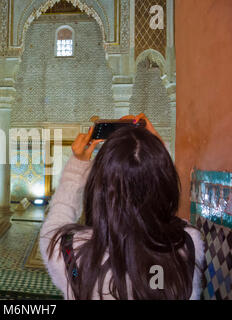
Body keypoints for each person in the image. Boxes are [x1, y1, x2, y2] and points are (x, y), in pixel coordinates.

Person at [40, 113, 205, 300]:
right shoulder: (186, 243)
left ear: (98, 187)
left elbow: (53, 227)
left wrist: (78, 165)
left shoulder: (72, 254)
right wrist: (157, 153)